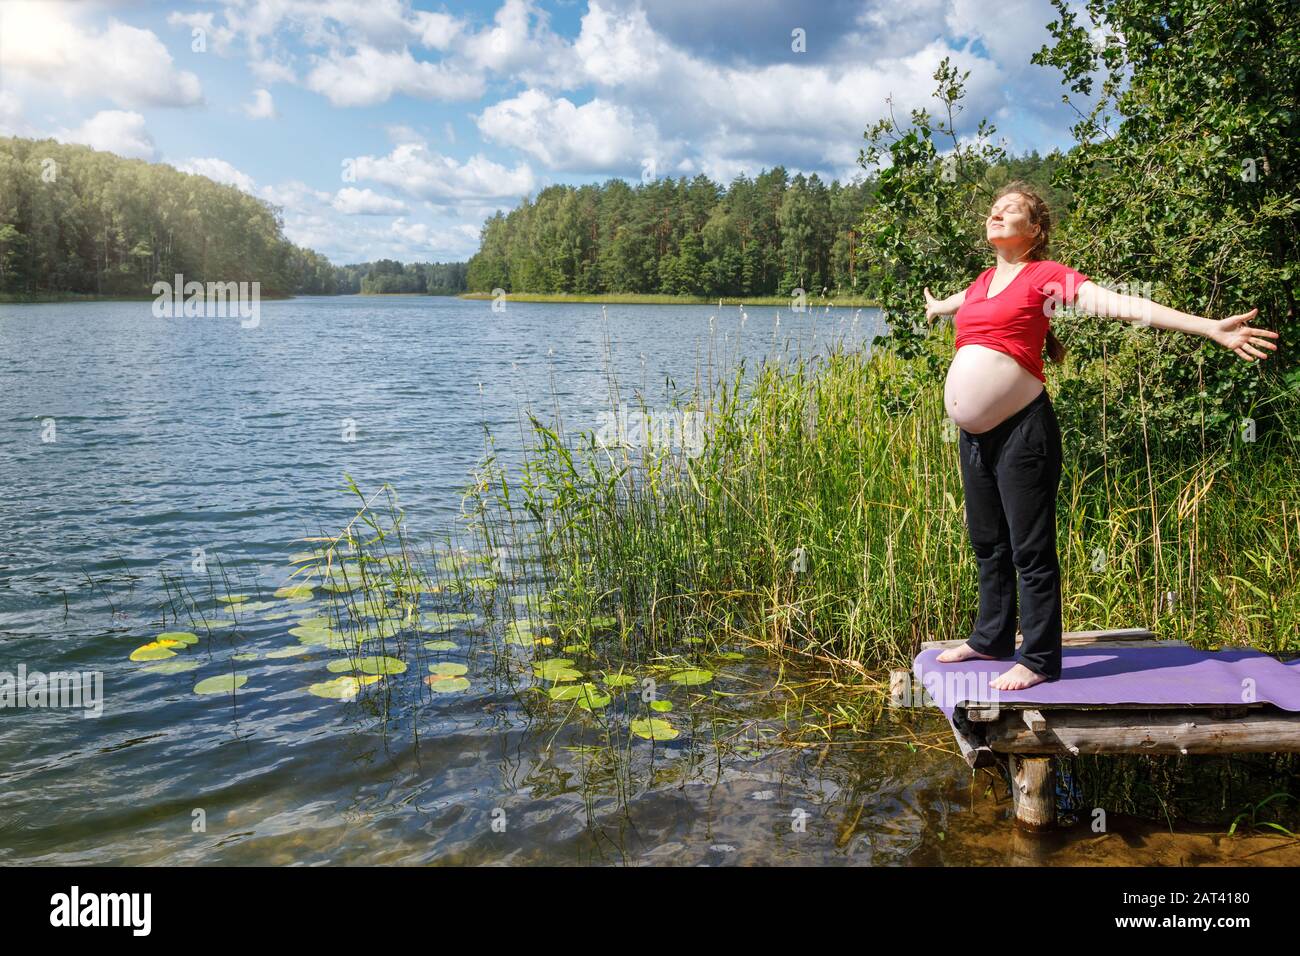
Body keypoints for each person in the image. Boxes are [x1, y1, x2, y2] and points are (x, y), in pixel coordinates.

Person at [923, 181, 1279, 690]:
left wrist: (1209, 328)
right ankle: (991, 638)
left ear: (1035, 231)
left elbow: (1125, 306)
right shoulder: (981, 282)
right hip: (975, 437)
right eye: (993, 211)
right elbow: (962, 302)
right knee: (988, 542)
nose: (995, 215)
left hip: (1023, 431)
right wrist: (940, 308)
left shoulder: (1047, 277)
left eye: (1010, 211)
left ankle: (1040, 659)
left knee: (1030, 548)